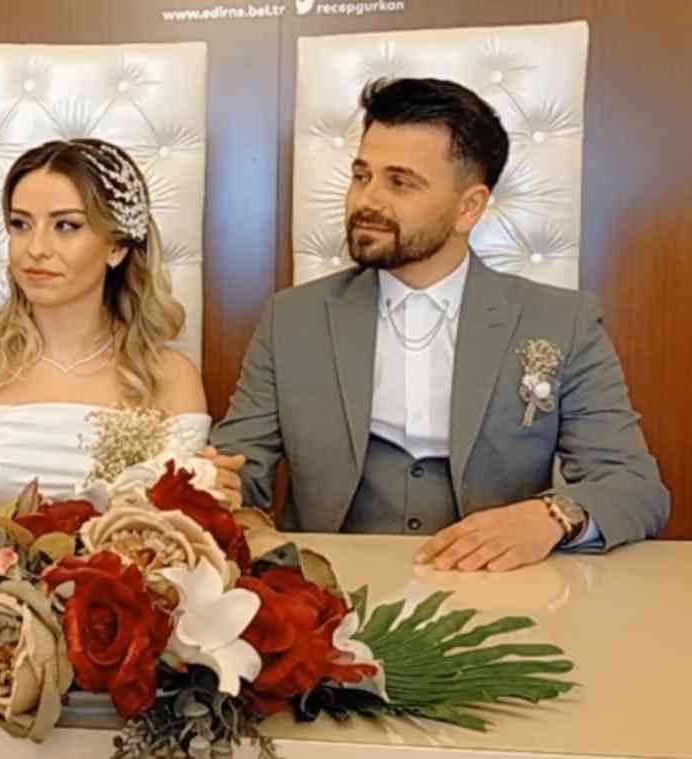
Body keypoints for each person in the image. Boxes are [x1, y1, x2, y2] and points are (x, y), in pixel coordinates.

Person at [210, 77, 668, 571]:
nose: (367, 200)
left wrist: (549, 518)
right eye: (362, 175)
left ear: (469, 208)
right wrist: (216, 486)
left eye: (400, 182)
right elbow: (240, 471)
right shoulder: (291, 319)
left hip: (501, 592)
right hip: (327, 591)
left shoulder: (561, 321)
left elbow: (634, 486)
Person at [0, 138, 230, 520]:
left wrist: (211, 497)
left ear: (117, 247)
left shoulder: (171, 377)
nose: (36, 248)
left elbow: (172, 533)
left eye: (66, 226)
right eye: (20, 224)